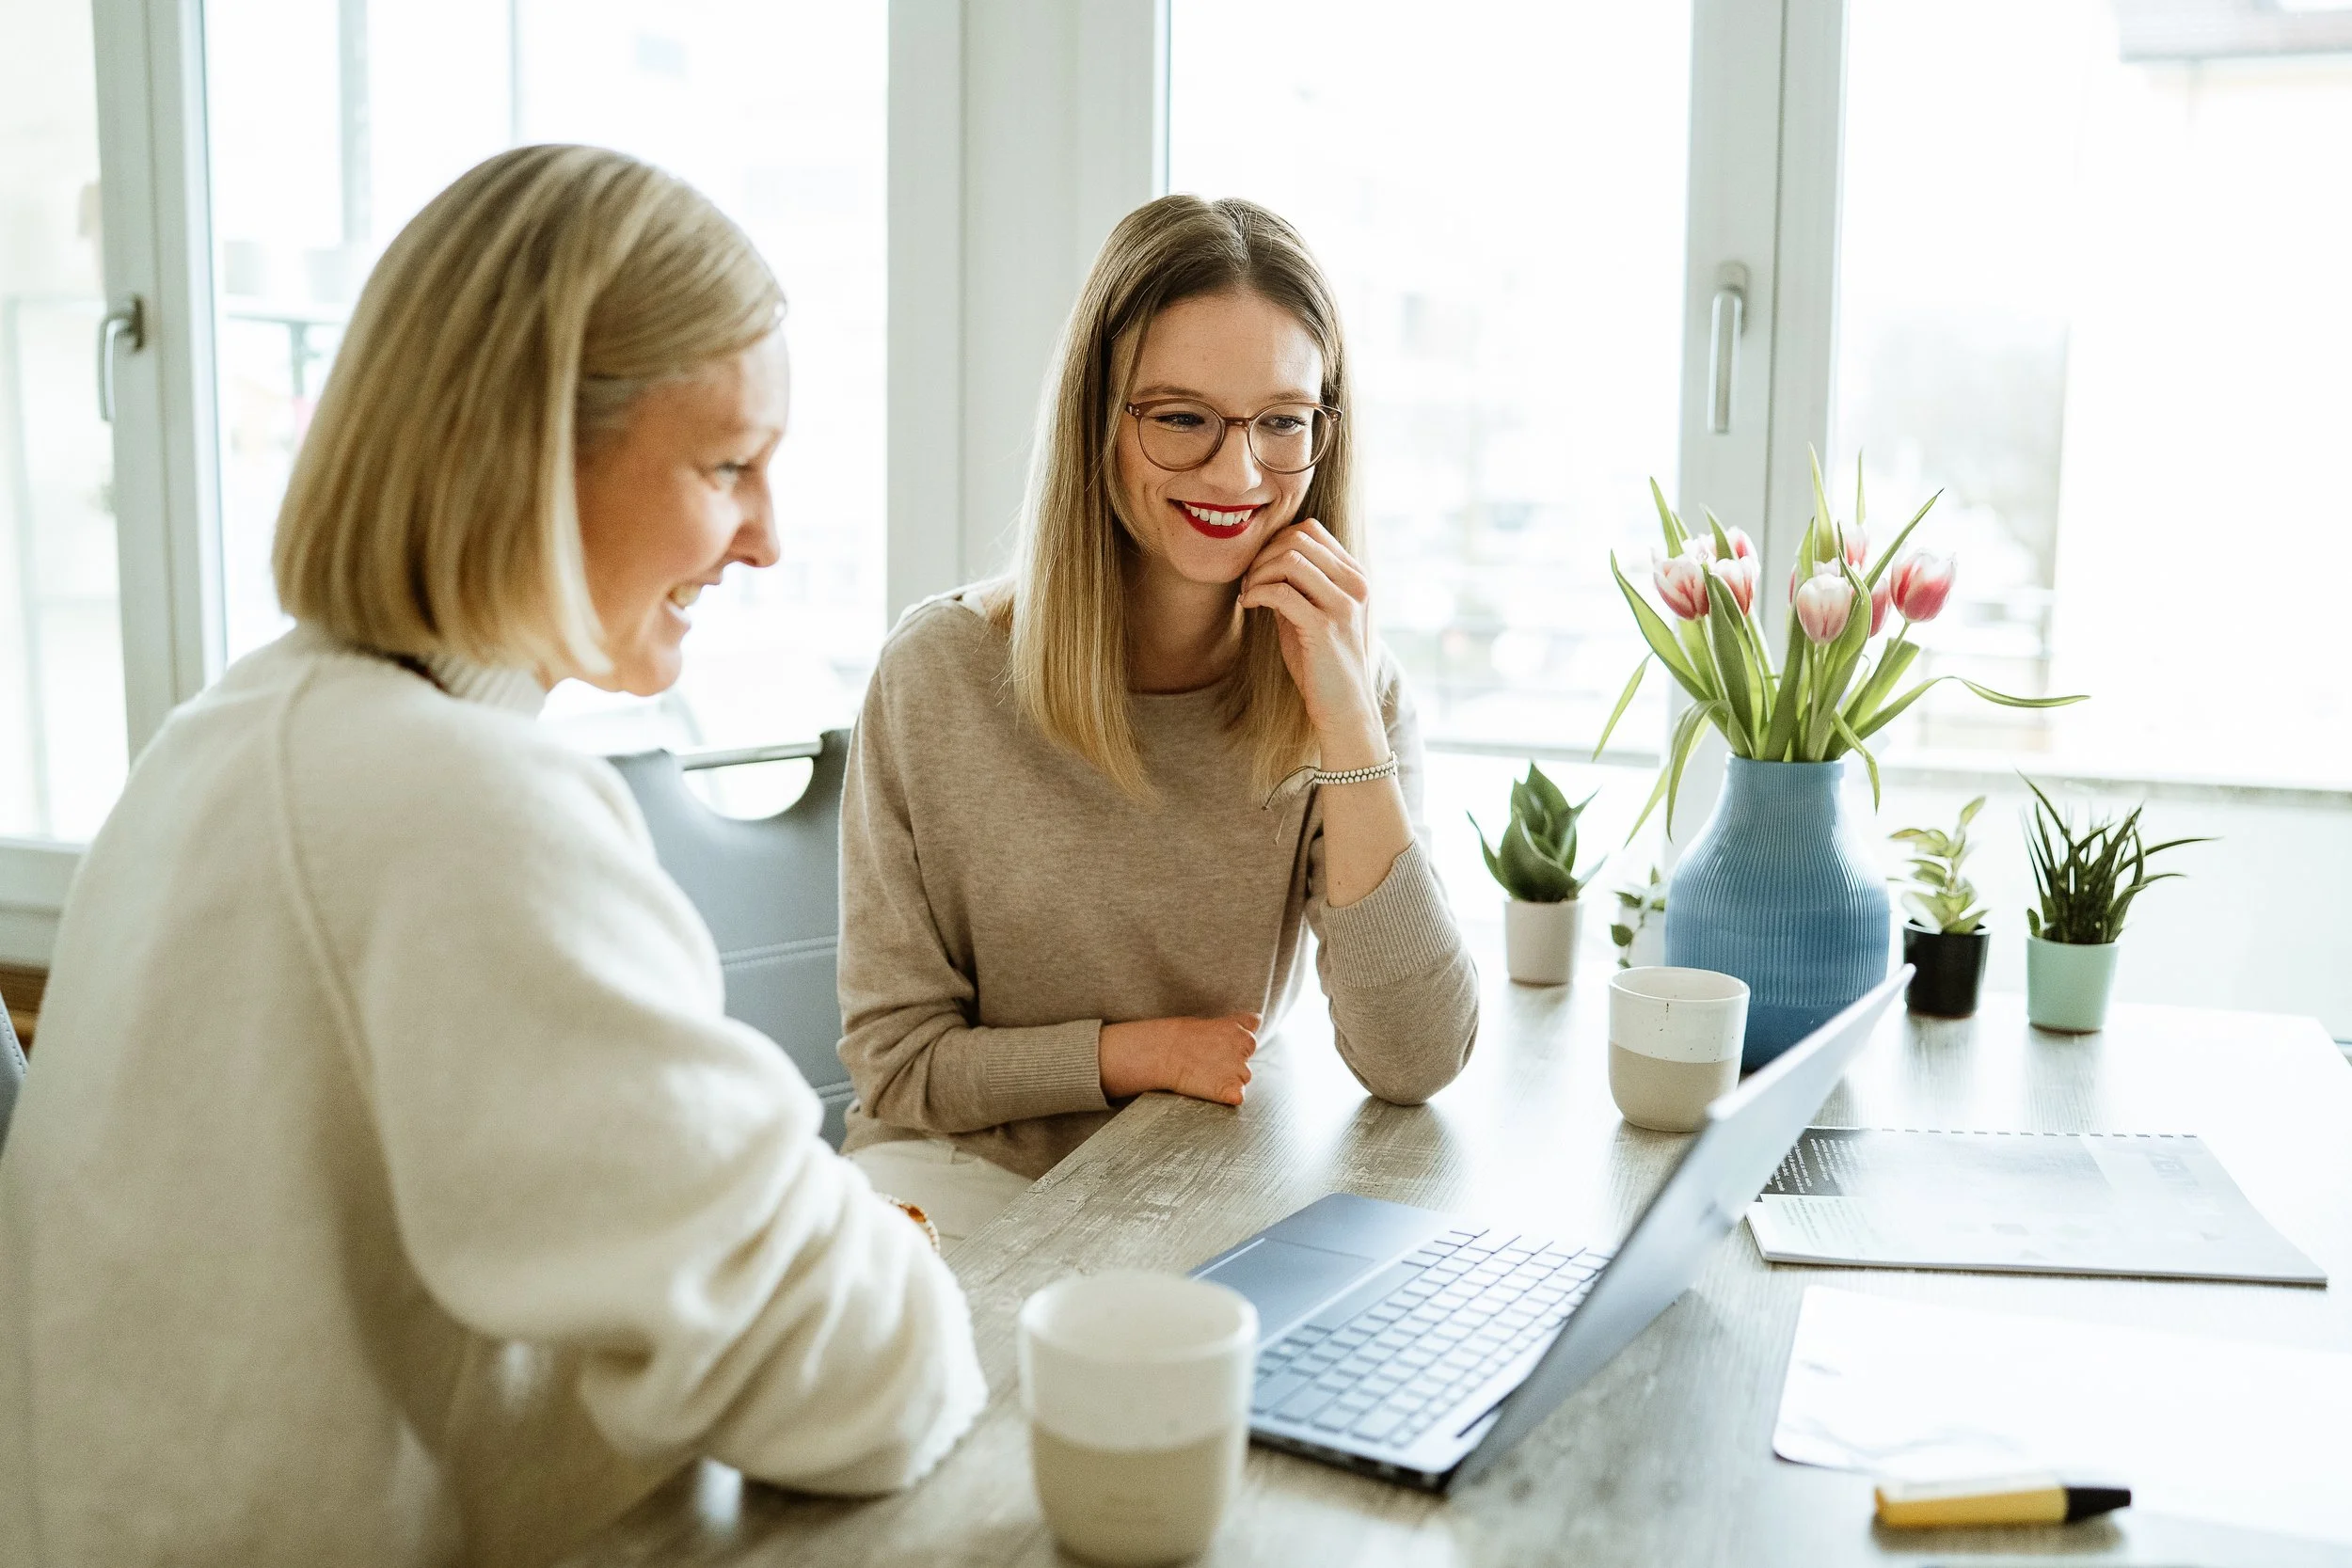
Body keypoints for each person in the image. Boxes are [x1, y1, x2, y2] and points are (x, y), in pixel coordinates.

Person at [0, 146, 983, 1568]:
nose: (766, 537)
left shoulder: (231, 734)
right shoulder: (453, 805)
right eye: (726, 466)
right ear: (524, 451)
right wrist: (897, 1264)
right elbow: (856, 1380)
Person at [837, 195, 1480, 1242]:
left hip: (1192, 1171)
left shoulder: (1350, 684)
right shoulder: (939, 674)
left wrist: (1348, 729)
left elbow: (1417, 1059)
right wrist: (1137, 1049)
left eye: (1281, 421)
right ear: (1099, 418)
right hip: (952, 1172)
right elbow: (900, 1065)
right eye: (1182, 418)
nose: (1238, 475)